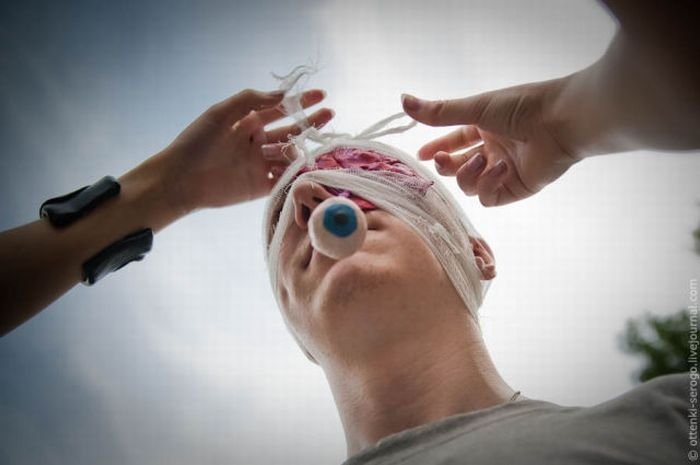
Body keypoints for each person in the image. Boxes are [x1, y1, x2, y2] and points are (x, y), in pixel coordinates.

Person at [0, 0, 697, 464]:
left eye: (363, 173)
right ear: (297, 328)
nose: (305, 198)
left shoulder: (671, 421)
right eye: (281, 217)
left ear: (478, 252)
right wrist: (159, 193)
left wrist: (574, 120)